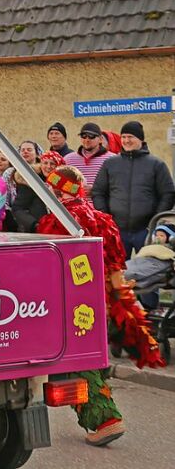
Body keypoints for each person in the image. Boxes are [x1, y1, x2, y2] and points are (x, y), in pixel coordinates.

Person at [36, 164, 162, 446]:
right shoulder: (102, 219)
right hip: (98, 301)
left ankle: (106, 420)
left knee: (76, 362)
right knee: (89, 356)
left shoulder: (58, 220)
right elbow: (117, 273)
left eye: (50, 187)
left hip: (68, 301)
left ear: (58, 189)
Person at [92, 121, 175, 259]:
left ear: (140, 139)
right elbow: (98, 192)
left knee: (147, 270)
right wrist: (106, 218)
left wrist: (155, 221)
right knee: (118, 273)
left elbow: (168, 194)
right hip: (117, 230)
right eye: (123, 137)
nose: (126, 140)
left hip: (146, 231)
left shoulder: (156, 164)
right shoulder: (110, 164)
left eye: (130, 137)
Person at [64, 123, 115, 191]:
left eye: (91, 136)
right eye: (83, 136)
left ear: (100, 139)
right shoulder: (68, 159)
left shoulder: (112, 159)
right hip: (75, 201)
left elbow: (119, 187)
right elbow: (59, 183)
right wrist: (77, 190)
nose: (87, 140)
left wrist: (95, 191)